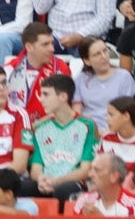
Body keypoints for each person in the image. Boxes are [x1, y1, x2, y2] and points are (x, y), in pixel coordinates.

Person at [21, 74, 98, 203]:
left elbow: (85, 170)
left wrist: (56, 181)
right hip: (46, 181)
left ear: (63, 97)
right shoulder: (40, 128)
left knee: (62, 190)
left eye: (46, 94)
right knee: (22, 188)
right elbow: (36, 167)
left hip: (74, 182)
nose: (41, 99)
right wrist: (40, 179)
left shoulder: (87, 126)